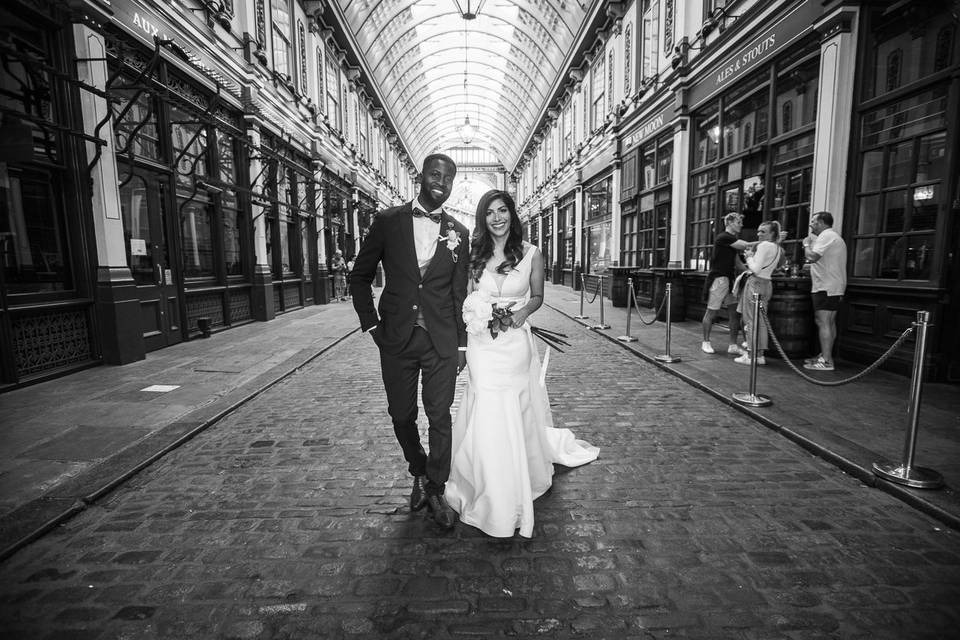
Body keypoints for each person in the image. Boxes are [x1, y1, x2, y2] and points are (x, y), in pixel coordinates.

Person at [445, 190, 599, 538]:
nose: (496, 218)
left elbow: (538, 296)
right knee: (485, 400)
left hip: (515, 344)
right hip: (483, 344)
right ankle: (485, 482)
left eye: (502, 211)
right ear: (482, 219)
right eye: (489, 213)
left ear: (512, 215)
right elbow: (467, 298)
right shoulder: (474, 255)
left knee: (513, 406)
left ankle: (516, 480)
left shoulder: (531, 253)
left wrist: (523, 312)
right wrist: (470, 330)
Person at [349, 153, 470, 529]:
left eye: (448, 178)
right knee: (401, 415)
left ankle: (436, 486)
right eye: (435, 174)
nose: (441, 182)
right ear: (421, 176)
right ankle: (417, 468)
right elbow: (359, 277)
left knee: (440, 417)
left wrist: (462, 344)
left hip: (441, 342)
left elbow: (459, 293)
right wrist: (372, 326)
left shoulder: (459, 233)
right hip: (397, 339)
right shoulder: (388, 222)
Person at [734, 220, 783, 366]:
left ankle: (750, 355)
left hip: (756, 283)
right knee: (760, 322)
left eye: (763, 231)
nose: (759, 234)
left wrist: (748, 256)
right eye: (758, 231)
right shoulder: (777, 247)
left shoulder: (764, 246)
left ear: (772, 233)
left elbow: (755, 269)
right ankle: (759, 355)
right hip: (767, 284)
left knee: (751, 321)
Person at [701, 212, 750, 356]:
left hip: (730, 281)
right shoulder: (724, 237)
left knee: (734, 313)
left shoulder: (731, 241)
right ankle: (706, 342)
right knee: (711, 311)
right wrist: (768, 242)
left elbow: (739, 264)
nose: (741, 225)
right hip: (719, 279)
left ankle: (733, 345)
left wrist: (753, 269)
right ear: (729, 223)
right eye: (738, 222)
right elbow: (745, 245)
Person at [803, 211, 847, 371]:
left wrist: (806, 244)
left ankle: (827, 361)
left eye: (813, 221)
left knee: (823, 321)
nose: (811, 224)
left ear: (822, 222)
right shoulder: (833, 236)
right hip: (832, 286)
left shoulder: (826, 236)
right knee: (828, 321)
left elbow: (813, 257)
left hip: (826, 286)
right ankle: (825, 355)